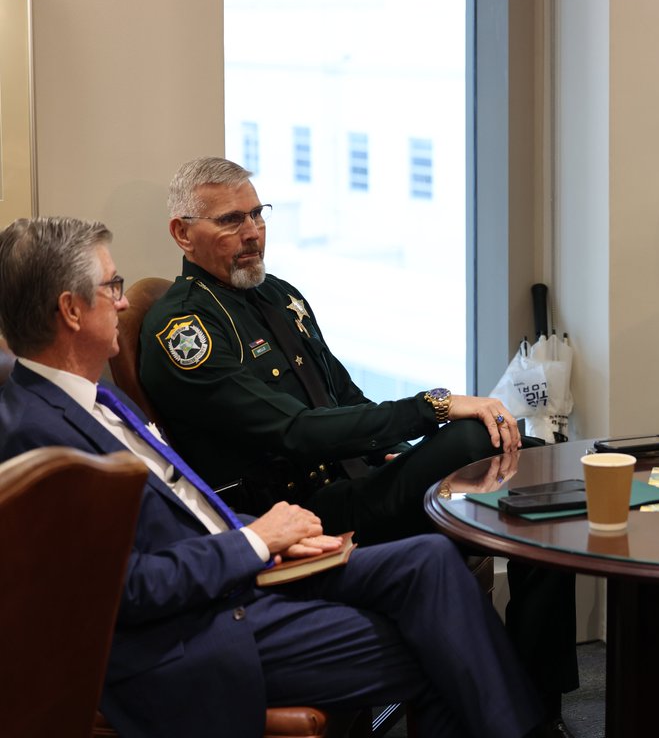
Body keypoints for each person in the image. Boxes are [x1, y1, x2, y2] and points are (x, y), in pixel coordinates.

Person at [0, 217, 545, 738]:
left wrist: (270, 537)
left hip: (241, 570)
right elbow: (126, 590)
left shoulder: (98, 398)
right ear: (71, 310)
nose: (122, 300)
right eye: (111, 285)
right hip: (191, 634)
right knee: (444, 644)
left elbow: (187, 508)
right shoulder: (37, 436)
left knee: (429, 562)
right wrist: (255, 541)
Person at [137, 157, 578, 730]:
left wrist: (385, 454)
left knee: (539, 500)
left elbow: (346, 400)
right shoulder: (184, 330)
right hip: (302, 520)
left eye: (256, 214)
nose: (251, 233)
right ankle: (522, 714)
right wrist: (435, 406)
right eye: (230, 222)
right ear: (182, 233)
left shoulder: (280, 296)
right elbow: (295, 432)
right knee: (475, 434)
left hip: (355, 485)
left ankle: (540, 700)